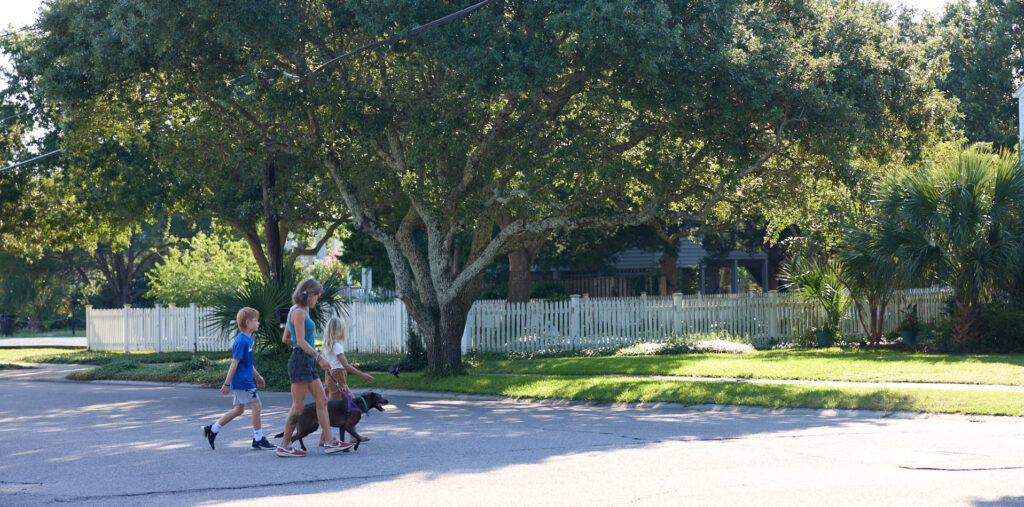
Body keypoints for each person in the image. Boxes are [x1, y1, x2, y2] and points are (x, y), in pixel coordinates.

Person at [276, 278, 351, 457]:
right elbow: (299, 341)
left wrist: (305, 350)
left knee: (323, 401)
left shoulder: (298, 310)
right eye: (317, 295)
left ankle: (330, 442)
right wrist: (318, 357)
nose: (318, 299)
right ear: (309, 293)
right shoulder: (299, 313)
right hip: (302, 361)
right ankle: (284, 445)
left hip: (305, 359)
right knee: (298, 407)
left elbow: (286, 338)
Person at [202, 307, 274, 450]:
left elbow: (247, 362)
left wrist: (257, 376)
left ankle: (213, 429)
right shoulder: (241, 341)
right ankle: (258, 439)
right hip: (243, 381)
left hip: (246, 379)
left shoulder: (248, 339)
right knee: (257, 405)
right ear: (248, 322)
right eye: (255, 320)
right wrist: (226, 384)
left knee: (239, 409)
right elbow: (234, 363)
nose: (258, 323)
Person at [321, 315, 374, 443]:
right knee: (331, 409)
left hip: (333, 375)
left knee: (352, 403)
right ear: (339, 330)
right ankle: (323, 438)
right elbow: (345, 365)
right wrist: (363, 375)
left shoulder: (330, 345)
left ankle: (353, 436)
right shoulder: (337, 346)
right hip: (338, 376)